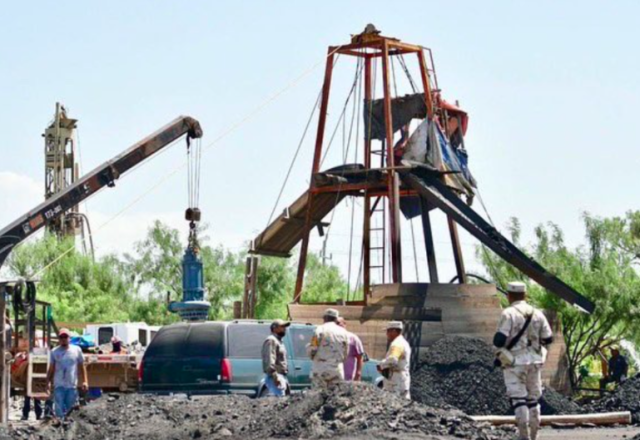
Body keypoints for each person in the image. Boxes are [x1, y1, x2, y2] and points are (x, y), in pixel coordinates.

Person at [493, 282, 553, 440]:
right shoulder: (538, 313)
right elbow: (548, 338)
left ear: (509, 295)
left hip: (515, 362)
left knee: (519, 399)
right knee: (533, 400)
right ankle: (534, 436)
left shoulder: (508, 313)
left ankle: (523, 437)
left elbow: (499, 340)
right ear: (525, 295)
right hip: (535, 362)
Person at [46, 328, 89, 419]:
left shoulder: (76, 350)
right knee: (59, 412)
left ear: (69, 338)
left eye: (65, 337)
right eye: (61, 337)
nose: (63, 339)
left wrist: (85, 381)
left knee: (71, 412)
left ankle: (69, 431)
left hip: (71, 386)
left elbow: (82, 366)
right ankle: (59, 431)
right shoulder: (54, 351)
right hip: (59, 386)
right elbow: (51, 368)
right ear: (59, 339)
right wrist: (48, 382)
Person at [306, 308, 349, 388]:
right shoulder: (344, 332)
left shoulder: (319, 330)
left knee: (318, 395)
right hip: (337, 369)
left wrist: (310, 354)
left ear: (324, 318)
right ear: (336, 319)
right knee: (336, 396)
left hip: (321, 369)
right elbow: (346, 352)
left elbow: (313, 348)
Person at [378, 321, 411, 399]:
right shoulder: (403, 342)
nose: (387, 334)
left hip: (395, 380)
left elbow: (392, 359)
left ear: (394, 331)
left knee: (393, 402)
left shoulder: (397, 344)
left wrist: (381, 365)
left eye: (388, 331)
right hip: (402, 378)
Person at [261, 319, 290, 397]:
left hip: (280, 376)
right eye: (282, 326)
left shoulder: (278, 341)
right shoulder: (271, 340)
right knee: (278, 402)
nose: (285, 328)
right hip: (274, 377)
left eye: (285, 327)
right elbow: (269, 359)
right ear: (274, 328)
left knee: (281, 402)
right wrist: (275, 376)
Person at [336, 317, 364, 381]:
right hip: (335, 377)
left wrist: (358, 373)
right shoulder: (331, 339)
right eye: (335, 324)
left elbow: (360, 356)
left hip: (349, 377)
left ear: (344, 324)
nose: (337, 326)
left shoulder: (353, 338)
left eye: (338, 323)